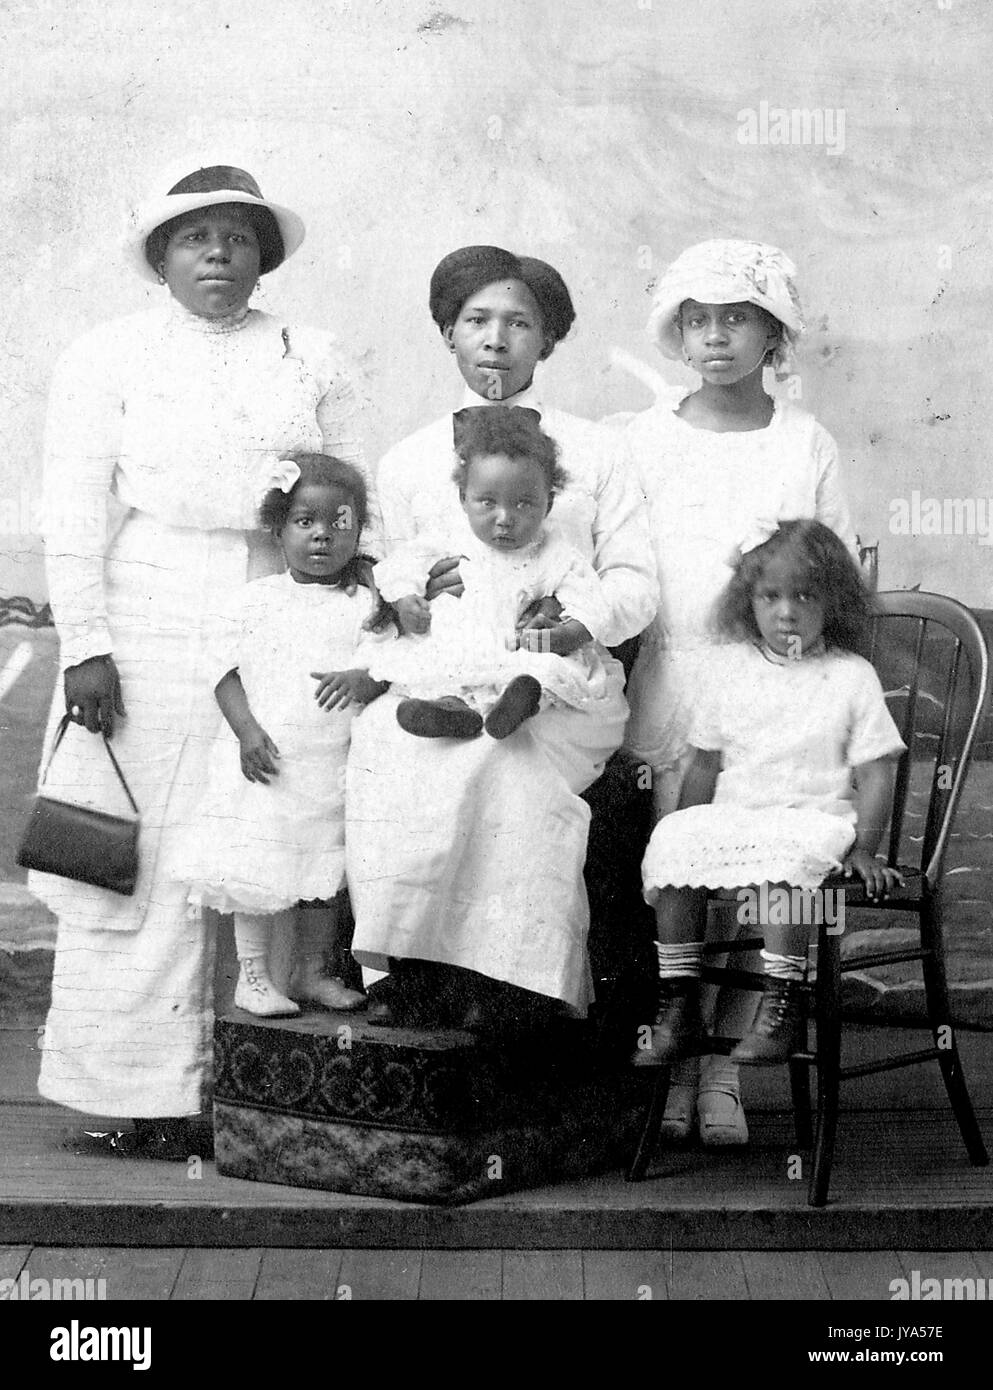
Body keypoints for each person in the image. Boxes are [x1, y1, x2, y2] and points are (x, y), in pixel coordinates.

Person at [32, 158, 375, 1156]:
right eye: (195, 236)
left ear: (265, 253)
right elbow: (73, 507)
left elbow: (358, 499)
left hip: (283, 601)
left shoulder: (311, 354)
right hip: (144, 604)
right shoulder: (108, 354)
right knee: (136, 848)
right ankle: (144, 1091)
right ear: (160, 254)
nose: (218, 252)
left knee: (272, 817)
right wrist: (88, 642)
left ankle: (258, 1090)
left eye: (236, 235)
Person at [346, 244, 658, 1030]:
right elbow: (386, 577)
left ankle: (513, 981)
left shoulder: (597, 451)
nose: (495, 339)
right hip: (443, 671)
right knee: (389, 742)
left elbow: (634, 581)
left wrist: (577, 622)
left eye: (518, 323)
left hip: (555, 680)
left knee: (501, 760)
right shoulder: (410, 459)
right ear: (446, 332)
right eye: (475, 320)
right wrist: (413, 603)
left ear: (546, 342)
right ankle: (412, 967)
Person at [623, 238, 860, 1145]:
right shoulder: (641, 438)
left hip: (772, 693)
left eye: (736, 318)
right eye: (697, 320)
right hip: (673, 679)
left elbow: (832, 580)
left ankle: (722, 1072)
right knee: (679, 872)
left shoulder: (804, 442)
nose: (715, 337)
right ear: (676, 333)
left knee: (756, 872)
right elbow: (618, 565)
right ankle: (670, 1072)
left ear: (773, 332)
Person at [635, 520, 905, 1070]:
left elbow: (877, 773)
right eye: (770, 596)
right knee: (671, 846)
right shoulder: (730, 671)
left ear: (835, 602)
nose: (787, 611)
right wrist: (687, 831)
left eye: (805, 595)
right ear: (748, 602)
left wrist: (866, 849)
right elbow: (706, 763)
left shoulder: (852, 675)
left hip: (815, 818)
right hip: (739, 814)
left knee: (786, 858)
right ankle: (679, 1003)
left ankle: (781, 1002)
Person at [171, 456, 384, 1017]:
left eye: (339, 522)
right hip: (268, 761)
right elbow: (223, 669)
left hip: (332, 762)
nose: (321, 534)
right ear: (278, 529)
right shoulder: (256, 600)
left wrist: (366, 679)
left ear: (358, 532)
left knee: (324, 873)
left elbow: (391, 664)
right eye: (304, 521)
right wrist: (246, 731)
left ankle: (311, 972)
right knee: (259, 869)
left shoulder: (366, 604)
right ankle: (255, 977)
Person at [366, 406, 611, 741]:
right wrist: (407, 598)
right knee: (443, 670)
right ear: (463, 499)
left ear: (548, 505)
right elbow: (404, 563)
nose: (504, 518)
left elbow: (592, 605)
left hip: (521, 649)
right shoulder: (448, 537)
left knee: (545, 672)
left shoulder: (556, 552)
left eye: (523, 504)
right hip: (461, 643)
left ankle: (518, 706)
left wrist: (566, 634)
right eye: (487, 502)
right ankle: (451, 712)